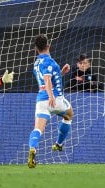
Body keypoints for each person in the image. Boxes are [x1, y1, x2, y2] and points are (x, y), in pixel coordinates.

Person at [27, 34, 74, 168]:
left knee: (38, 129)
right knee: (69, 114)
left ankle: (32, 148)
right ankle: (58, 144)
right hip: (54, 99)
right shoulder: (48, 61)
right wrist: (51, 96)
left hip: (41, 101)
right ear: (48, 46)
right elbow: (47, 79)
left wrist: (60, 73)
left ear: (36, 48)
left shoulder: (37, 63)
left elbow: (47, 78)